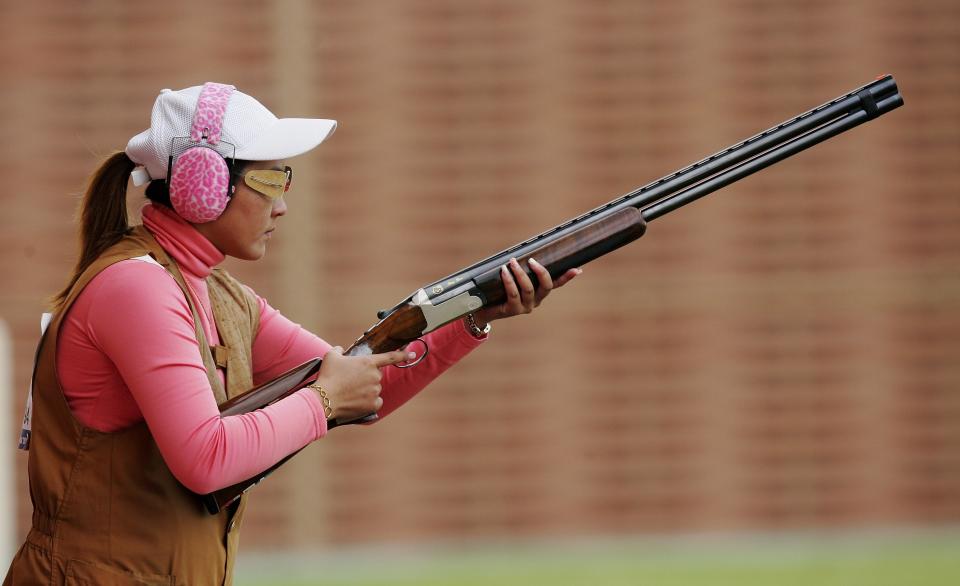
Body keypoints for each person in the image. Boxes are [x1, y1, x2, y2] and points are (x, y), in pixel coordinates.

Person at [3, 82, 580, 586]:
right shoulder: (137, 288)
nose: (282, 202)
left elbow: (369, 383)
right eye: (271, 177)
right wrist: (324, 401)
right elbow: (206, 458)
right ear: (204, 183)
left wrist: (476, 316)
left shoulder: (221, 295)